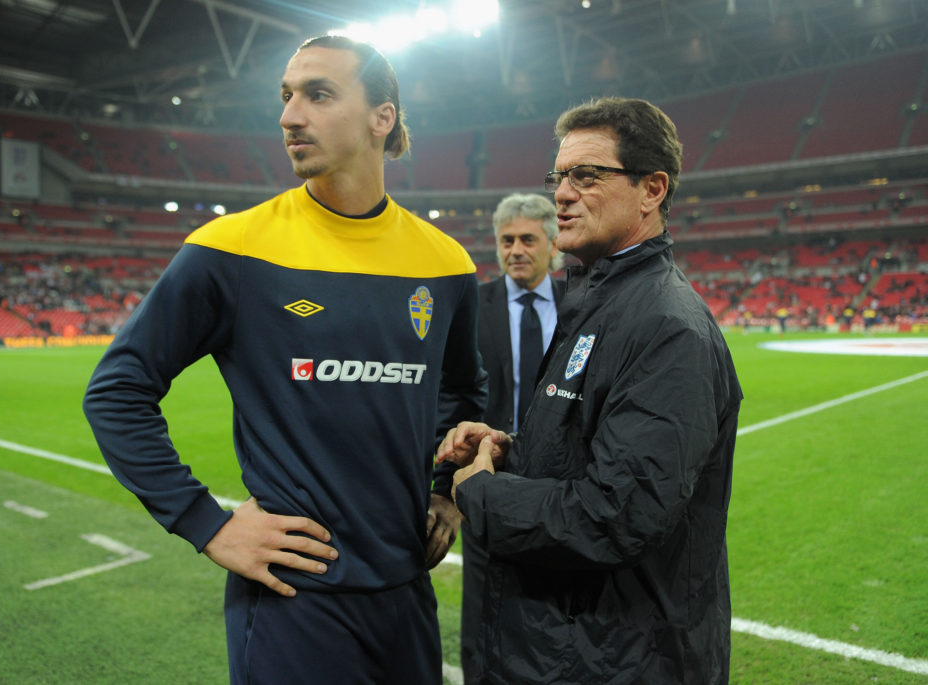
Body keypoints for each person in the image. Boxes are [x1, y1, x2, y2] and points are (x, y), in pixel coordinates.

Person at [84, 35, 486, 685]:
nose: (289, 115)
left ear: (382, 117)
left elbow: (464, 391)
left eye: (318, 94)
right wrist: (206, 523)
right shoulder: (231, 249)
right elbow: (117, 389)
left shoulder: (447, 263)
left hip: (406, 592)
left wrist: (445, 491)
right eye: (285, 96)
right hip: (292, 600)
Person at [438, 97, 743, 684]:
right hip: (575, 646)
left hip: (618, 657)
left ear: (652, 189)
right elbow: (586, 450)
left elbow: (613, 516)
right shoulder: (599, 298)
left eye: (587, 176)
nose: (562, 193)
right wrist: (509, 451)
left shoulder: (665, 327)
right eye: (560, 176)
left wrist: (481, 492)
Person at [461, 192, 566, 680]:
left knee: (553, 599)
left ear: (553, 243)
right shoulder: (473, 306)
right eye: (506, 240)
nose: (516, 249)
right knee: (483, 599)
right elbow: (453, 392)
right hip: (490, 471)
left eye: (527, 238)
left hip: (560, 476)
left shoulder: (580, 304)